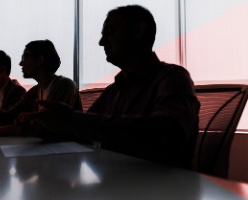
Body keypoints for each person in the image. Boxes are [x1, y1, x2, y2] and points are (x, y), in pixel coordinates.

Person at [18, 5, 200, 170]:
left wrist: (72, 120)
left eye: (110, 32)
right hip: (120, 183)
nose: (101, 42)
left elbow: (168, 134)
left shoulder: (173, 78)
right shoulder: (114, 91)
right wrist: (44, 130)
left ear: (138, 30)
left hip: (164, 188)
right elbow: (84, 130)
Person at [0, 39, 82, 137]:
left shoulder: (65, 86)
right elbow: (7, 118)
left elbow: (53, 127)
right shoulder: (34, 92)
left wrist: (5, 130)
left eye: (25, 57)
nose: (21, 63)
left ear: (39, 60)